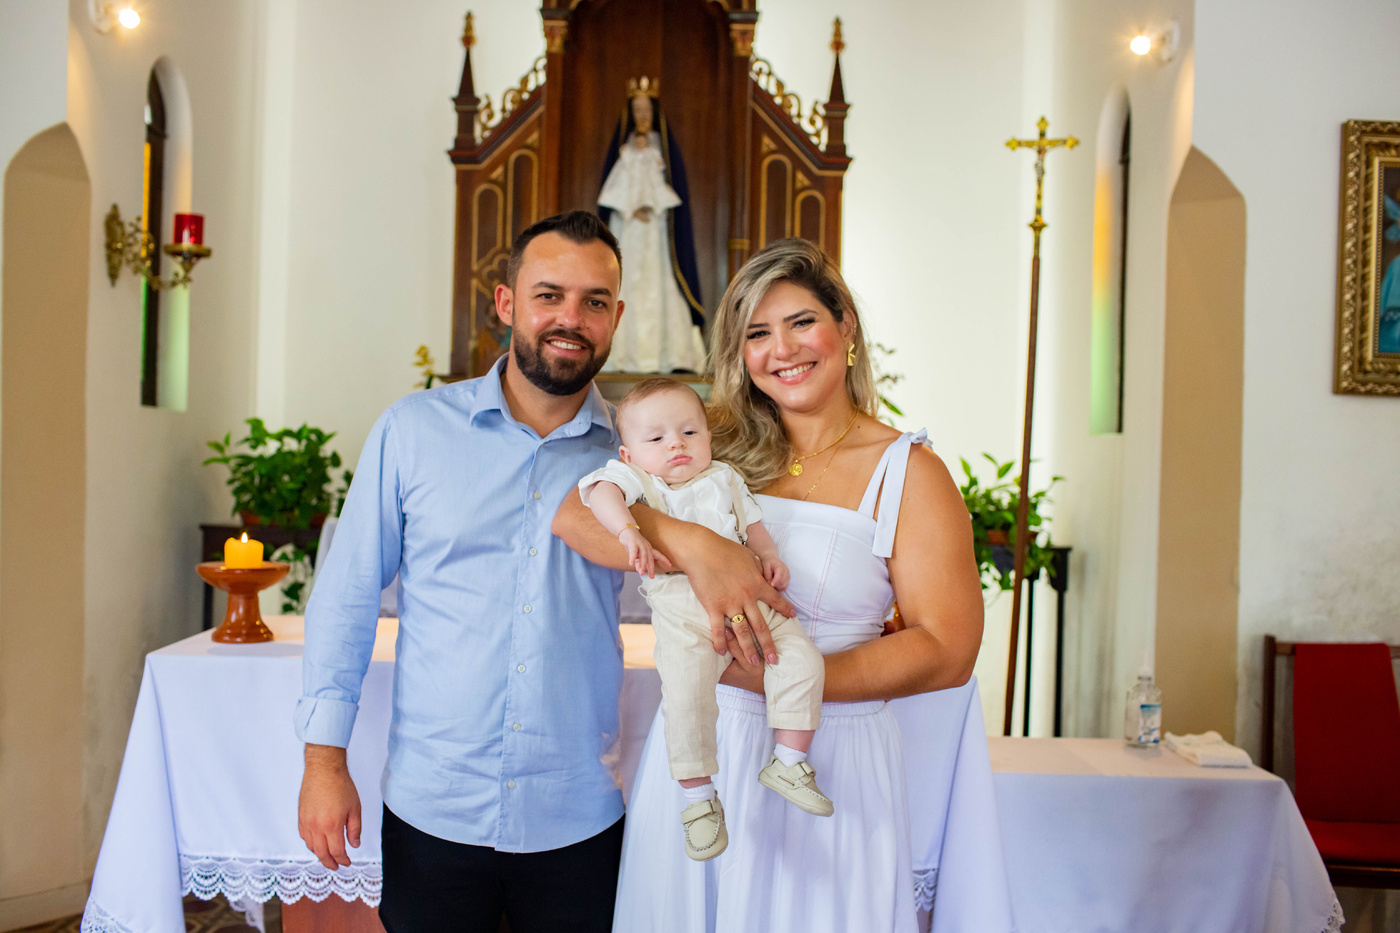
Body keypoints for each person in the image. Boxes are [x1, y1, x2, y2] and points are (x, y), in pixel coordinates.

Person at [292, 211, 795, 933]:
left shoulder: (644, 456)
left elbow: (714, 552)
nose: (571, 319)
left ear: (617, 317)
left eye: (595, 302)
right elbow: (344, 599)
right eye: (549, 295)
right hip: (435, 803)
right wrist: (323, 763)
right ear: (506, 303)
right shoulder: (413, 431)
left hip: (578, 809)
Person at [553, 238, 984, 932]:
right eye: (757, 333)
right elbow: (576, 514)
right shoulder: (708, 442)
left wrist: (781, 681)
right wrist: (697, 545)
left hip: (832, 753)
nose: (782, 349)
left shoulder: (909, 471)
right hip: (708, 744)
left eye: (801, 322)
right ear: (740, 353)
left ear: (845, 325)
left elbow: (947, 649)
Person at [578, 377, 831, 863]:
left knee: (802, 660)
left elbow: (753, 525)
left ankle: (789, 760)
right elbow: (599, 493)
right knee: (687, 700)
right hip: (683, 615)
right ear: (629, 454)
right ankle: (698, 799)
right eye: (656, 438)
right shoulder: (638, 482)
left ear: (708, 438)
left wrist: (769, 556)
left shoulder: (725, 477)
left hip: (751, 599)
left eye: (689, 432)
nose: (676, 444)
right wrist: (628, 531)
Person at [597, 79, 706, 373]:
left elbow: (669, 188)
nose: (642, 115)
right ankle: (622, 356)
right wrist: (631, 206)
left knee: (659, 286)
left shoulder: (663, 148)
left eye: (646, 110)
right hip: (628, 228)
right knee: (627, 283)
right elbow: (614, 187)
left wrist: (652, 205)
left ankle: (663, 356)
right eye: (637, 110)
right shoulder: (625, 149)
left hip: (657, 232)